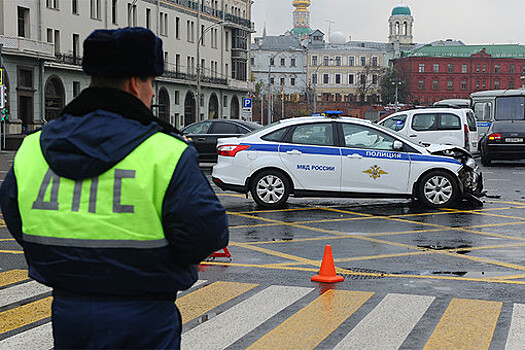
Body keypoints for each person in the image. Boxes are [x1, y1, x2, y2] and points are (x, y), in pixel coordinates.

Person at [0, 27, 228, 349]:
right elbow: (207, 234)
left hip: (69, 316)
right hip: (146, 320)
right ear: (136, 84)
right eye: (152, 83)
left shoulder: (33, 148)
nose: (152, 94)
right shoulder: (166, 152)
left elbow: (16, 216)